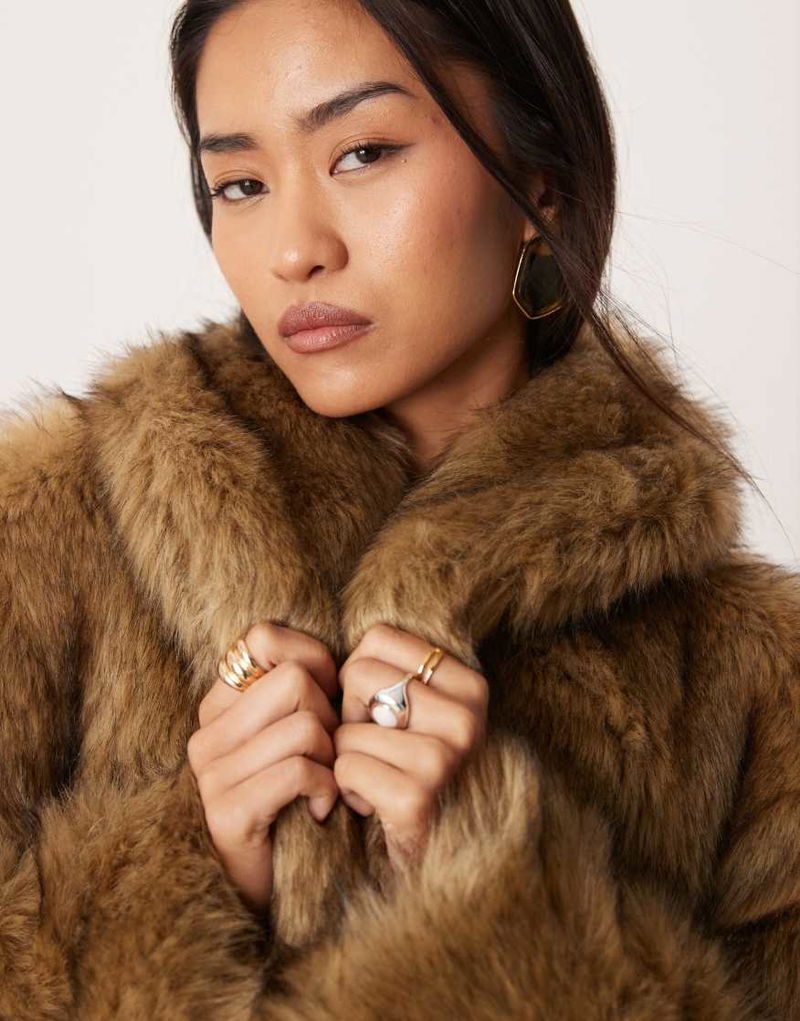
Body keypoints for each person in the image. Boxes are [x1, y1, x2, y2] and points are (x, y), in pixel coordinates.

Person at [1, 0, 798, 1017]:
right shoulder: (47, 536)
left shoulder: (755, 676)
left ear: (538, 185)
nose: (293, 250)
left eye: (363, 153)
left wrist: (496, 895)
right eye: (241, 183)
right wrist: (189, 872)